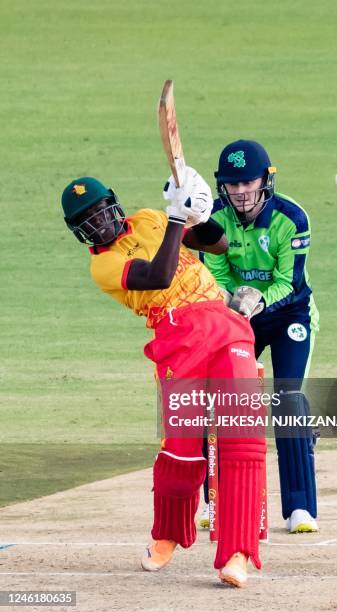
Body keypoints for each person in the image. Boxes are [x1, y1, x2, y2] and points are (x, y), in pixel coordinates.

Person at [61, 168, 267, 588]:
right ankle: (167, 536)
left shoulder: (149, 218)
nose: (100, 220)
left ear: (113, 202)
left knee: (243, 440)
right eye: (89, 219)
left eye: (102, 209)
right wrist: (176, 219)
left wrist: (197, 211)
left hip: (226, 325)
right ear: (79, 231)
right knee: (181, 450)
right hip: (177, 338)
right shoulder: (104, 266)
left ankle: (238, 554)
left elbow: (218, 244)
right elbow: (159, 276)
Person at [200, 140, 320, 533]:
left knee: (287, 398)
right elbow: (214, 274)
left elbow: (290, 281)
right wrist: (233, 301)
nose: (239, 192)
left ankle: (300, 508)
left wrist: (259, 299)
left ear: (266, 180)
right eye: (231, 185)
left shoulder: (291, 218)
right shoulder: (213, 219)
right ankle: (211, 499)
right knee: (218, 397)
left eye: (248, 182)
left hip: (288, 312)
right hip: (237, 313)